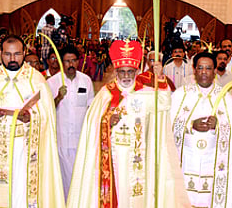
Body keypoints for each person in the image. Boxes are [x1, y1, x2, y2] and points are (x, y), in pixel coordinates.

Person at [68, 40, 189, 207]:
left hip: (139, 157)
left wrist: (160, 76)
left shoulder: (145, 92)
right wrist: (107, 121)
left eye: (130, 72)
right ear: (116, 71)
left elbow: (164, 102)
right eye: (122, 72)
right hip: (113, 157)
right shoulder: (106, 94)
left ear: (136, 71)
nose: (126, 76)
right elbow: (92, 124)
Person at [0, 35, 64, 208]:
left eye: (17, 54)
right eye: (7, 54)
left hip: (25, 151)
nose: (12, 59)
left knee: (21, 193)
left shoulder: (37, 80)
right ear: (0, 54)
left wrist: (31, 118)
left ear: (25, 52)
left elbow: (48, 118)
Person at [170, 52, 232, 207]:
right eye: (200, 68)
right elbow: (168, 126)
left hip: (213, 163)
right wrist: (190, 125)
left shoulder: (226, 98)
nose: (203, 72)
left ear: (215, 70)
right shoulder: (180, 94)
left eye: (208, 68)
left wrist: (218, 125)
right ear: (194, 70)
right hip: (186, 161)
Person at [47, 45, 94, 200]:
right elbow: (46, 110)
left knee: (80, 175)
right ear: (62, 62)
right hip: (62, 139)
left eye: (73, 60)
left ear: (78, 61)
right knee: (64, 178)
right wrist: (58, 97)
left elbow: (90, 107)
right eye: (67, 61)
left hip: (81, 138)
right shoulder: (53, 82)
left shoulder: (85, 80)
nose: (71, 64)